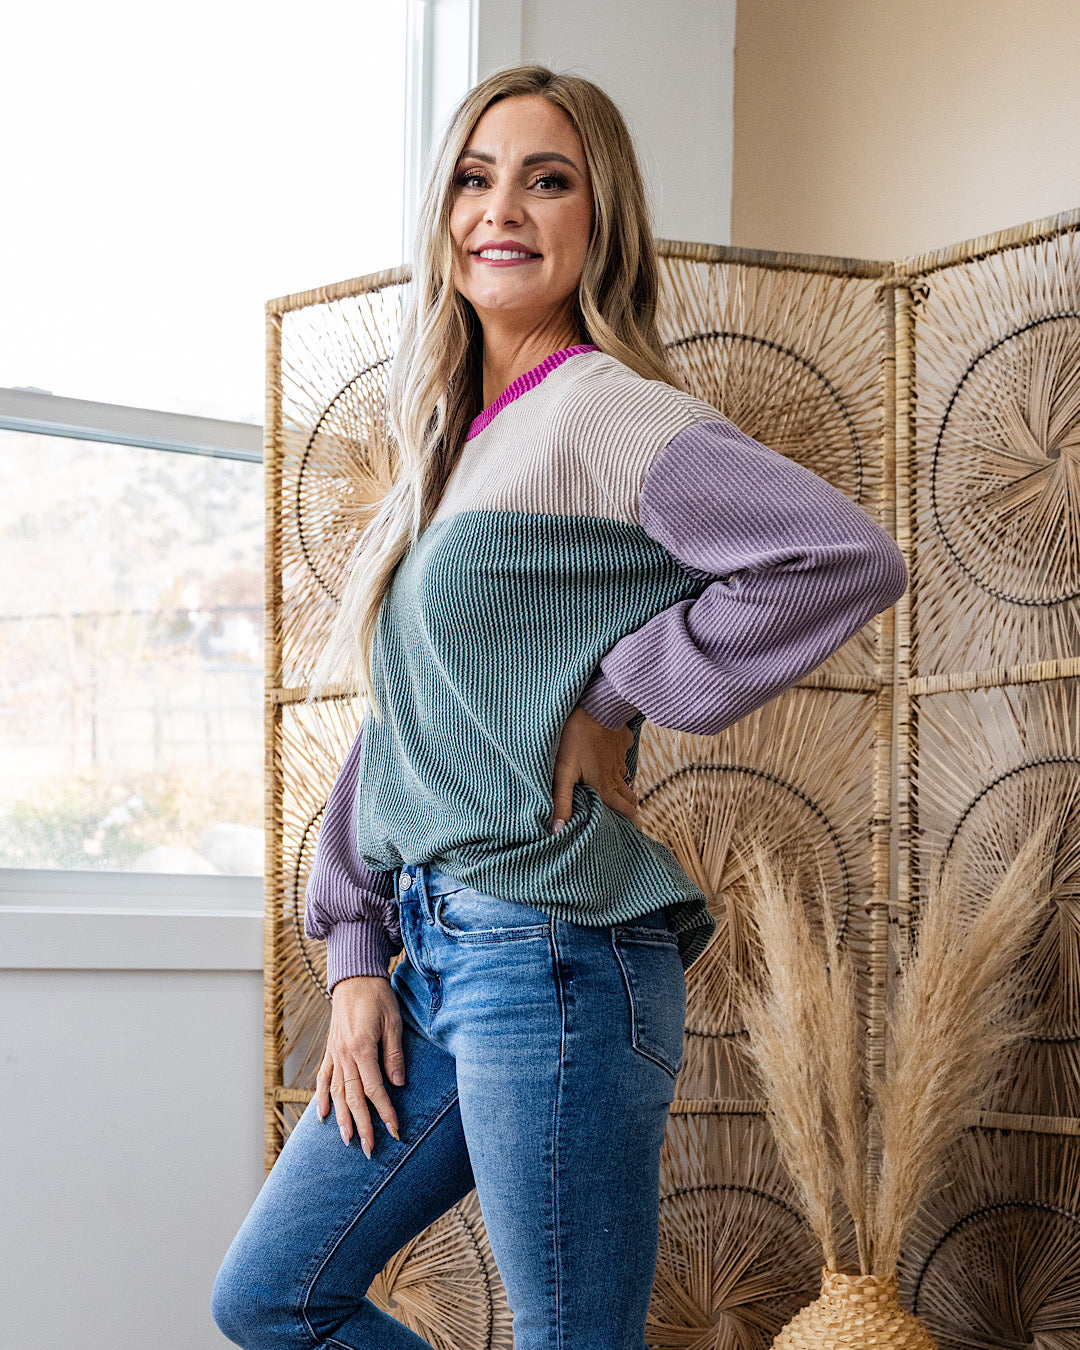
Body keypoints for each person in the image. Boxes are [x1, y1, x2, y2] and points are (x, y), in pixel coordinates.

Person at [211, 63, 908, 1350]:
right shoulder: (454, 449)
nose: (503, 209)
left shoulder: (608, 413)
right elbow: (407, 725)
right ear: (443, 214)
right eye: (475, 179)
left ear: (601, 218)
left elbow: (842, 557)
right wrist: (357, 956)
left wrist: (619, 690)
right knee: (273, 1299)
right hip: (437, 953)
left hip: (555, 952)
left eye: (547, 180)